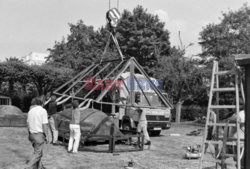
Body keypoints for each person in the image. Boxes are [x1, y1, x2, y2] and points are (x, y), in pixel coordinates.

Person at [26, 97, 49, 169]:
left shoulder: (30, 111)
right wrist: (47, 135)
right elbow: (44, 124)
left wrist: (29, 133)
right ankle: (28, 167)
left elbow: (28, 124)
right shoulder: (43, 111)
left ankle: (40, 167)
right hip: (39, 134)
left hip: (31, 134)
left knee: (38, 152)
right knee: (38, 153)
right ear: (41, 103)